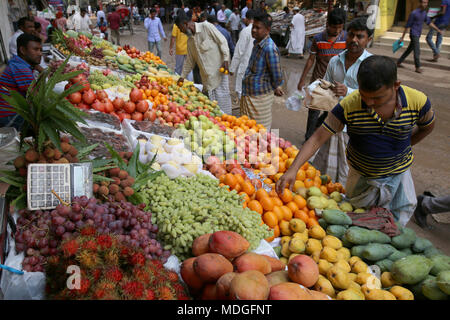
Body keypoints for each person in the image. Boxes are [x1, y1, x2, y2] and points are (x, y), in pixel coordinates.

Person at [276, 55, 436, 226]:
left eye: (376, 98)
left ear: (396, 85)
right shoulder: (350, 105)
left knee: (394, 227)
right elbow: (317, 137)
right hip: (361, 178)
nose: (368, 102)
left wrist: (404, 146)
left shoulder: (417, 101)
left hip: (398, 175)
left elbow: (428, 126)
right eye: (364, 95)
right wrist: (293, 169)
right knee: (358, 223)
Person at [309, 18, 373, 186]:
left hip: (355, 127)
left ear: (368, 40)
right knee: (323, 167)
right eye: (351, 35)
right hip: (333, 121)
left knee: (348, 170)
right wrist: (314, 91)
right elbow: (326, 84)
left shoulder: (371, 66)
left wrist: (349, 92)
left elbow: (375, 97)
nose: (354, 40)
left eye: (360, 36)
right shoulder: (335, 61)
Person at [298, 8, 347, 141]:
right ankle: (308, 139)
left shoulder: (346, 39)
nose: (337, 30)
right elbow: (310, 60)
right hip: (319, 82)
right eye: (334, 27)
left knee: (331, 113)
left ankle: (317, 132)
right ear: (327, 24)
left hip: (335, 85)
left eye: (340, 27)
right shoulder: (318, 39)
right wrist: (302, 80)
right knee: (313, 112)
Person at [176, 12, 232, 114]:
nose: (181, 32)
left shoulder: (206, 27)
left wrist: (226, 59)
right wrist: (182, 77)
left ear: (185, 24)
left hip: (219, 74)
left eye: (181, 29)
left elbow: (222, 41)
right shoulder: (190, 42)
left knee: (224, 104)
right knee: (213, 109)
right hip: (207, 80)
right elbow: (189, 61)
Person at [240, 13, 284, 130]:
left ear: (267, 30)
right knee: (248, 129)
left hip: (259, 99)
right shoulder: (257, 43)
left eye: (258, 28)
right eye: (253, 26)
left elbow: (277, 77)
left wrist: (274, 86)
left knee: (259, 132)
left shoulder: (269, 48)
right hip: (250, 95)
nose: (253, 30)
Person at [0, 33, 42, 130]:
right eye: (35, 49)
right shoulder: (21, 69)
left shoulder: (17, 62)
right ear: (23, 50)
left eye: (40, 50)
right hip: (8, 117)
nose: (40, 53)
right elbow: (37, 98)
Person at [397, 0, 442, 73]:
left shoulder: (424, 13)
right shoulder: (414, 13)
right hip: (414, 34)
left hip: (418, 34)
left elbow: (429, 22)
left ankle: (399, 62)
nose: (425, 4)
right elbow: (407, 26)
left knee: (409, 49)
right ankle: (417, 67)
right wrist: (402, 37)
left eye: (426, 3)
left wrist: (437, 29)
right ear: (420, 3)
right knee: (417, 50)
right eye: (424, 2)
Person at [230, 9, 255, 99]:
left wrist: (232, 68)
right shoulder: (261, 31)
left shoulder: (246, 31)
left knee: (242, 91)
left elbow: (239, 51)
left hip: (246, 65)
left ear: (247, 19)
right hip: (257, 67)